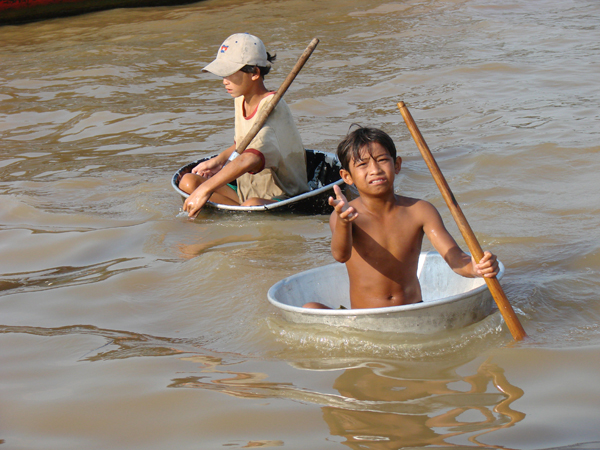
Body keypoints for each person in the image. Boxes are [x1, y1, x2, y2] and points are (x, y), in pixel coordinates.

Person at [304, 126, 499, 309]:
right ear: (347, 177)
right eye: (363, 164)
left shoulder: (420, 210)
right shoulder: (344, 214)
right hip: (366, 316)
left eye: (382, 160)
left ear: (396, 165)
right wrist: (344, 222)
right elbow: (341, 255)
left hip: (413, 309)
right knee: (310, 308)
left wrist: (475, 267)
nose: (375, 170)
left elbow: (454, 256)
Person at [180, 33, 309, 218]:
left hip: (282, 195)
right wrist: (220, 160)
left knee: (251, 205)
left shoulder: (272, 107)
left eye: (230, 74)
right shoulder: (240, 97)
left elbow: (252, 158)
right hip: (246, 189)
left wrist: (207, 188)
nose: (225, 81)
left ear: (255, 73)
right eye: (223, 74)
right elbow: (243, 143)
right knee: (188, 182)